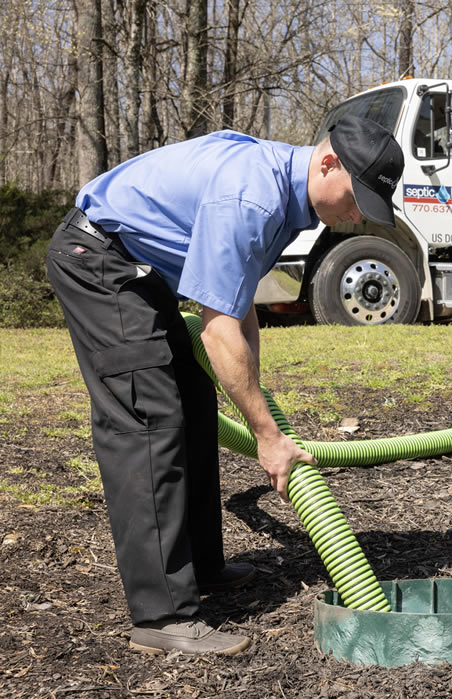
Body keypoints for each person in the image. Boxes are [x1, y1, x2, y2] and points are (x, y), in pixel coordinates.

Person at [46, 116, 404, 655]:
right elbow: (216, 330)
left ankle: (200, 565)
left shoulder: (285, 195)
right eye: (356, 200)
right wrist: (266, 435)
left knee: (192, 396)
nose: (356, 217)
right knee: (148, 417)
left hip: (137, 270)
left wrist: (260, 399)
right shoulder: (253, 197)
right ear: (329, 163)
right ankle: (162, 615)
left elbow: (237, 306)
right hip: (99, 261)